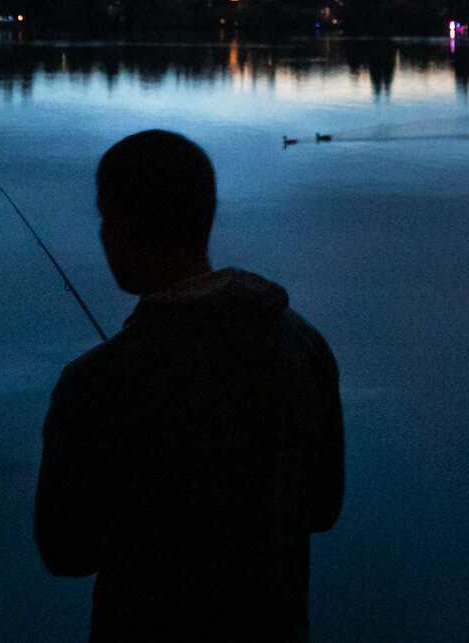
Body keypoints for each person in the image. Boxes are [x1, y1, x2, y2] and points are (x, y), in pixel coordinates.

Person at [34, 129, 345, 642]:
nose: (103, 234)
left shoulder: (95, 383)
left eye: (105, 217)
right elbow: (323, 509)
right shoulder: (305, 345)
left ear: (123, 227)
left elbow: (65, 553)